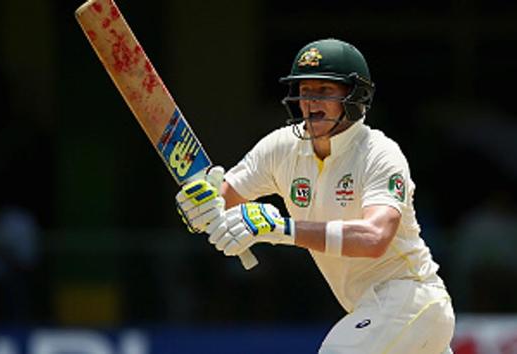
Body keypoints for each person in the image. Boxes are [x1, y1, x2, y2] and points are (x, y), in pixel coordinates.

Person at [176, 38, 455, 354]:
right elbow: (223, 198)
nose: (310, 101)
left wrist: (282, 229)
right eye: (305, 91)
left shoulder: (379, 153)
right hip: (374, 313)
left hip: (411, 300)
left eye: (324, 91)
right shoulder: (281, 149)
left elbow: (375, 237)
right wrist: (202, 208)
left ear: (355, 96)